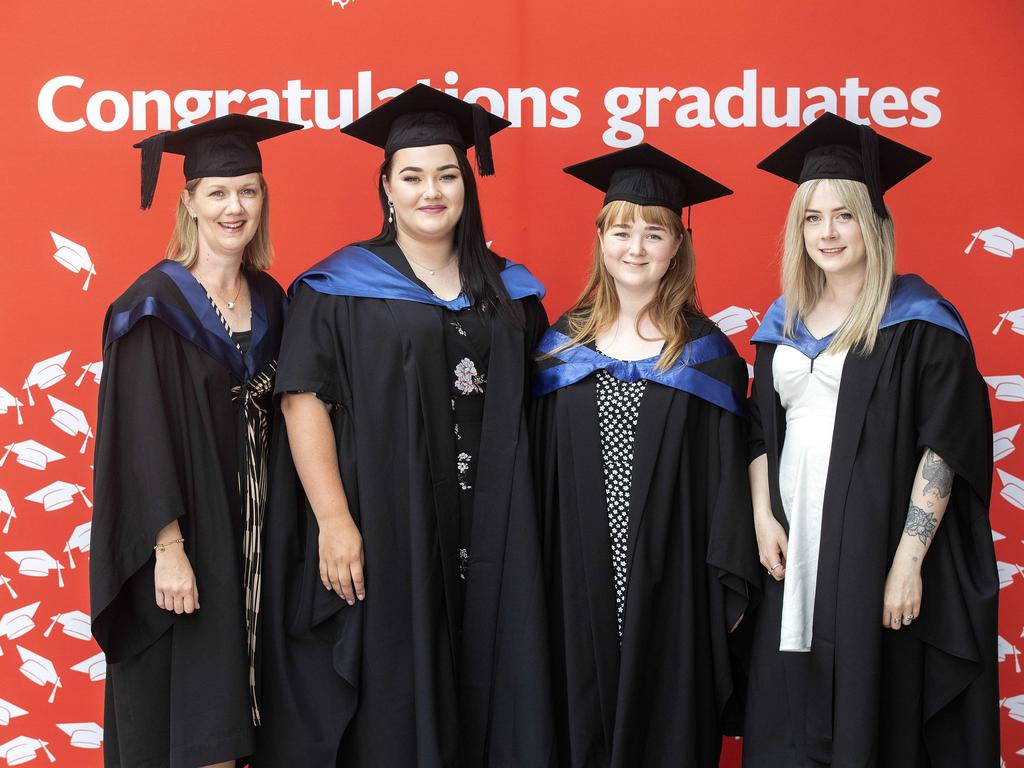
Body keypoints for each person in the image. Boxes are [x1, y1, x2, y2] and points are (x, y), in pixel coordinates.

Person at [255, 84, 553, 767]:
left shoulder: (514, 291)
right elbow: (303, 401)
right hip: (391, 524)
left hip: (496, 527)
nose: (431, 191)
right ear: (386, 187)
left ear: (467, 186)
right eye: (412, 176)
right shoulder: (337, 288)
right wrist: (334, 520)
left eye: (447, 175)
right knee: (397, 690)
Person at [742, 112, 999, 767]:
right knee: (786, 718)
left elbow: (944, 446)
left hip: (872, 552)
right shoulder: (782, 323)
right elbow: (755, 428)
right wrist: (762, 516)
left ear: (874, 222)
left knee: (868, 713)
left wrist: (908, 562)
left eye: (844, 214)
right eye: (811, 217)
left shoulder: (922, 323)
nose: (827, 232)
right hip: (790, 555)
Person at [531, 143, 761, 767]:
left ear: (677, 247)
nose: (635, 248)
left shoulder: (707, 355)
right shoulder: (558, 347)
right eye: (621, 230)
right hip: (574, 575)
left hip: (674, 583)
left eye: (654, 233)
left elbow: (727, 487)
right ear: (601, 237)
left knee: (666, 720)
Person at [90, 113, 300, 768]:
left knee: (257, 726)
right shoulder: (152, 307)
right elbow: (138, 438)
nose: (234, 207)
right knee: (194, 725)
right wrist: (168, 549)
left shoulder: (271, 299)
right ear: (188, 201)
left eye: (248, 190)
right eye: (217, 191)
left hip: (260, 544)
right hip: (190, 542)